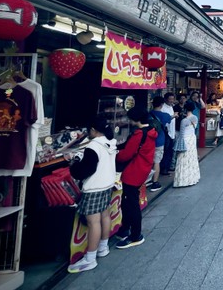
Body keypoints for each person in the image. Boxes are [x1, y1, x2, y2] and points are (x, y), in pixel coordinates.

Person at [66, 115, 117, 273]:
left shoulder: (93, 146)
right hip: (108, 183)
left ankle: (90, 258)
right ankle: (103, 247)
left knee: (93, 222)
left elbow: (85, 171)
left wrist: (73, 163)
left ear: (93, 130)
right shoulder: (111, 142)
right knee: (105, 216)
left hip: (95, 187)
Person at [115, 107, 157, 248]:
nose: (129, 121)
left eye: (131, 118)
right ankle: (125, 228)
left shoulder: (139, 134)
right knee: (128, 202)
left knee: (131, 204)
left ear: (136, 119)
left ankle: (135, 235)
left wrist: (114, 154)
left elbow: (126, 155)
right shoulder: (151, 131)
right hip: (142, 170)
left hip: (133, 172)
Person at [174, 101, 200, 187]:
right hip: (192, 139)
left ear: (185, 109)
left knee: (182, 158)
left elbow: (181, 134)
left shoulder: (184, 121)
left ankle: (182, 181)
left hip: (185, 139)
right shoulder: (195, 118)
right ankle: (193, 178)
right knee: (191, 158)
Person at [149, 96, 172, 190]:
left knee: (148, 160)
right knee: (157, 161)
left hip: (148, 141)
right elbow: (169, 119)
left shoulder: (148, 114)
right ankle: (155, 182)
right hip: (159, 140)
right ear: (162, 105)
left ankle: (146, 180)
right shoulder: (164, 115)